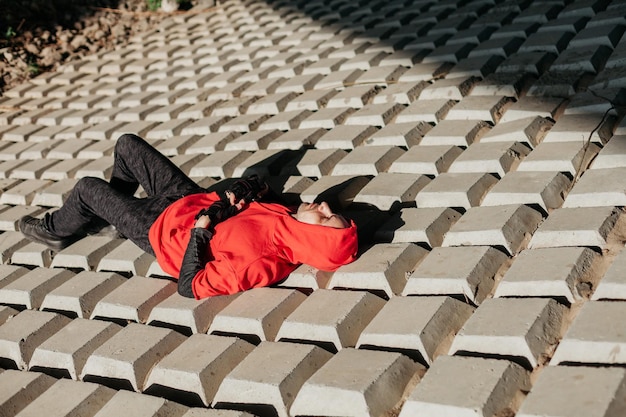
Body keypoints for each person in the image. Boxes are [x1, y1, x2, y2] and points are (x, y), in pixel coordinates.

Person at [19, 134, 359, 299]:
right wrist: (251, 191)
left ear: (314, 239)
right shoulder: (291, 221)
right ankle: (107, 215)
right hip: (189, 197)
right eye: (331, 211)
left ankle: (56, 231)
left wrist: (199, 234)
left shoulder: (258, 262)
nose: (325, 207)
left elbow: (189, 286)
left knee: (87, 188)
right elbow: (259, 205)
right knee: (127, 146)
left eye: (327, 218)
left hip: (160, 230)